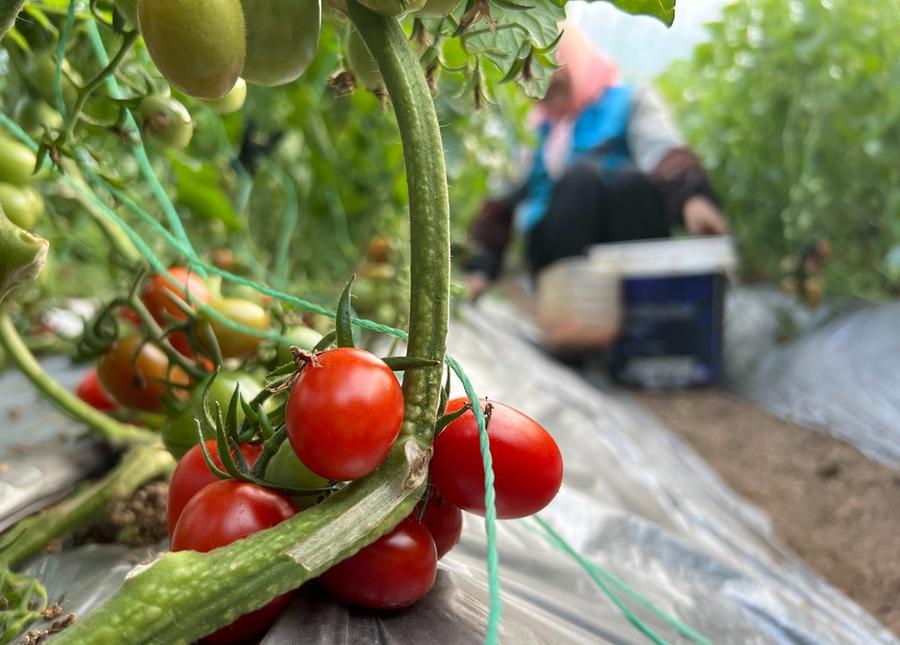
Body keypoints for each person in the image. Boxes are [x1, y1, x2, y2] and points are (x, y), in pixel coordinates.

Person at [465, 25, 728, 301]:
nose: (546, 87)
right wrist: (479, 268)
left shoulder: (628, 102)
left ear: (573, 62)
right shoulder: (532, 130)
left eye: (553, 72)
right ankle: (574, 305)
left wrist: (692, 199)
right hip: (559, 256)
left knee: (631, 182)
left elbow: (662, 151)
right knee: (580, 179)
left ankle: (645, 301)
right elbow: (500, 203)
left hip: (626, 242)